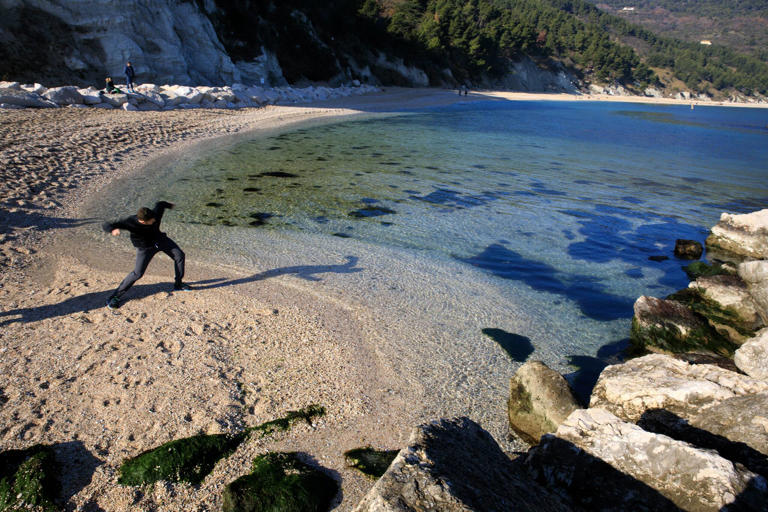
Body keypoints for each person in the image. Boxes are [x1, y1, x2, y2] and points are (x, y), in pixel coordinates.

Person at [102, 201, 190, 310]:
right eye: (151, 220)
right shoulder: (131, 222)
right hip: (145, 248)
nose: (154, 221)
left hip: (160, 240)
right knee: (137, 274)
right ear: (143, 221)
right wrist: (112, 229)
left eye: (154, 218)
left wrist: (172, 205)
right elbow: (107, 225)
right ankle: (114, 297)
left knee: (179, 255)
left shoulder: (154, 215)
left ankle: (178, 284)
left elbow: (160, 204)